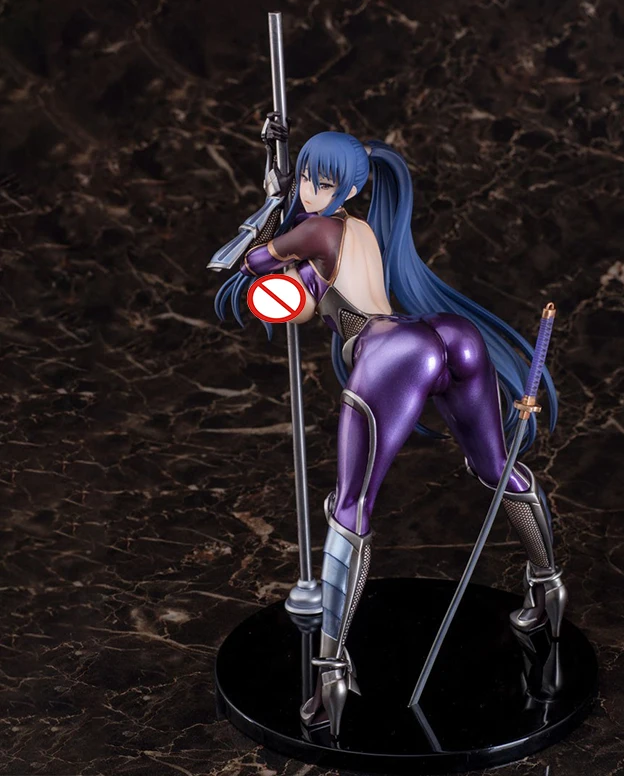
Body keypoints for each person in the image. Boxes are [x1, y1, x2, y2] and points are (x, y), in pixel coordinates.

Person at [215, 130, 567, 737]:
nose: (310, 189)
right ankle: (549, 587)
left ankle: (330, 673)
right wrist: (289, 233)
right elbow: (305, 297)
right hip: (444, 336)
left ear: (348, 188)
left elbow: (252, 264)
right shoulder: (361, 230)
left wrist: (275, 205)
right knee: (494, 467)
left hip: (390, 352)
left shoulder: (317, 230)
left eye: (322, 181)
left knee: (350, 507)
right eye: (306, 177)